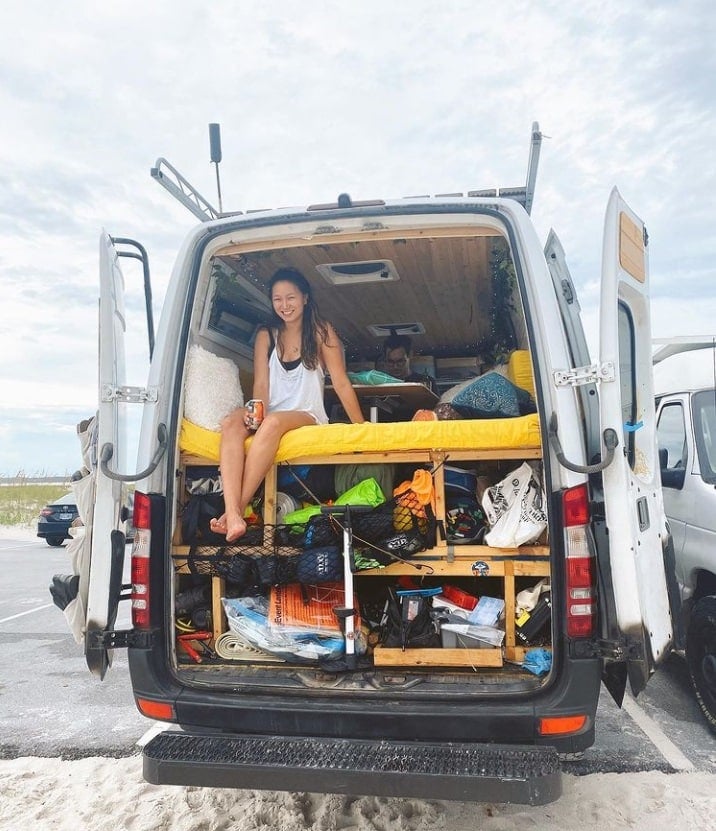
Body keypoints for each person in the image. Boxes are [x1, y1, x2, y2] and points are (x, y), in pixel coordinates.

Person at [210, 268, 365, 542]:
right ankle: (232, 511)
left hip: (307, 413)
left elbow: (340, 383)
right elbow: (261, 384)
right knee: (231, 422)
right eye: (277, 299)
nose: (284, 306)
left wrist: (361, 428)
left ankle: (236, 512)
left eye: (290, 298)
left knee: (272, 423)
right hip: (271, 410)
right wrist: (254, 417)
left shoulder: (321, 332)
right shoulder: (265, 335)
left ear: (305, 298)